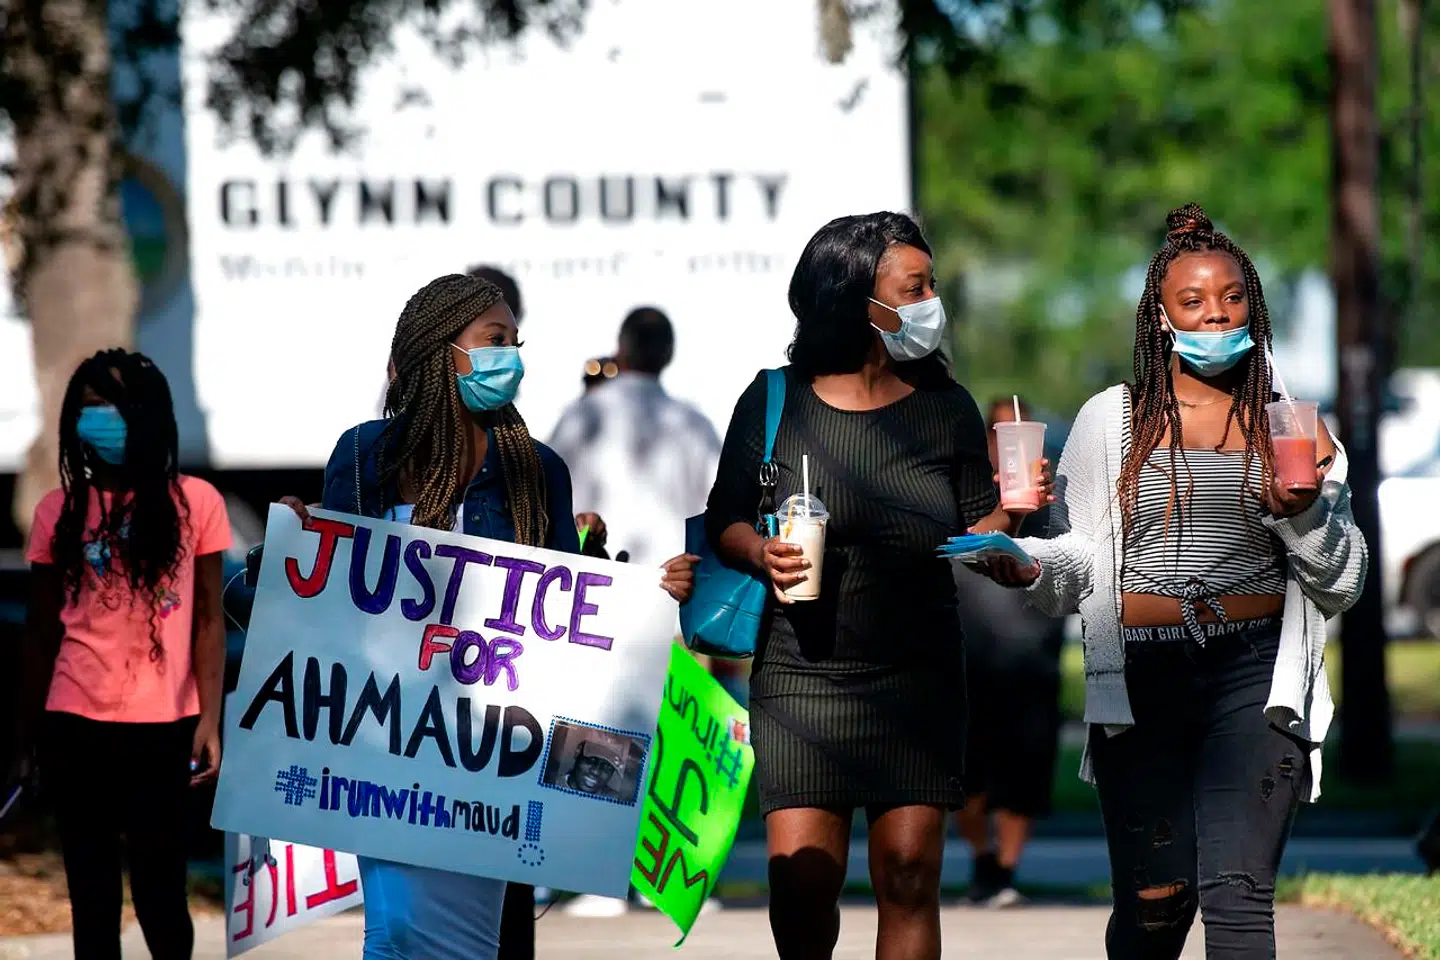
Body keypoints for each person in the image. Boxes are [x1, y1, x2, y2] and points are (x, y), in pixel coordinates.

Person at [980, 204, 1368, 958]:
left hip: (1253, 676)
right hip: (1142, 677)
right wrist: (1029, 564)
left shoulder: (1293, 428)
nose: (1216, 316)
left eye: (1231, 299)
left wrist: (1300, 516)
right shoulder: (1111, 421)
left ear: (1254, 305)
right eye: (1193, 302)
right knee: (1156, 906)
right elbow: (1083, 559)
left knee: (1237, 898)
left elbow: (1342, 581)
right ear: (1162, 318)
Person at [281, 273, 696, 960]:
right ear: (440, 352)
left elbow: (570, 608)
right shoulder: (365, 456)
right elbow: (331, 599)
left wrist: (647, 595)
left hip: (502, 743)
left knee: (501, 935)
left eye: (515, 342)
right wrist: (301, 543)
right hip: (392, 736)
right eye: (494, 341)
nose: (513, 358)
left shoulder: (537, 468)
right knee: (398, 929)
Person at [705, 212, 1049, 960]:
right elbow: (723, 519)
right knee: (802, 888)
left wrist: (1012, 517)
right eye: (914, 286)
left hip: (917, 676)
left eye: (932, 283)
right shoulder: (772, 400)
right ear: (858, 299)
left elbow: (972, 527)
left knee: (907, 877)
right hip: (801, 674)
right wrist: (760, 552)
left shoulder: (944, 406)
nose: (932, 300)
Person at [16, 349, 231, 960]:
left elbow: (210, 620)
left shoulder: (196, 503)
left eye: (113, 404)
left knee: (162, 892)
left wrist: (210, 720)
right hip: (74, 726)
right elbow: (38, 634)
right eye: (87, 407)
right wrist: (26, 740)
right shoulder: (57, 511)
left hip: (164, 728)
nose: (100, 418)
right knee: (91, 895)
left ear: (147, 414)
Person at [548, 305, 724, 918]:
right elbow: (716, 516)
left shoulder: (581, 417)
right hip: (674, 595)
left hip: (601, 592)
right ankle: (669, 879)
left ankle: (597, 880)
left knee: (597, 729)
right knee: (671, 734)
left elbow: (552, 500)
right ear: (668, 355)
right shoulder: (693, 425)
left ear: (621, 349)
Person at [952, 396, 1065, 909]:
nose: (1011, 443)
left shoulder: (1056, 498)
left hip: (1032, 662)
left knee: (1023, 778)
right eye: (1001, 434)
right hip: (966, 660)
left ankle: (1006, 871)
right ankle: (981, 860)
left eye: (1022, 433)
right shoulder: (961, 491)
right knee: (967, 777)